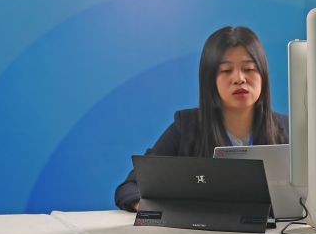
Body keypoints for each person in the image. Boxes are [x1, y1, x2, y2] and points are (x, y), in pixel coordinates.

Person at [114, 25, 288, 212]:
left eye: (249, 68)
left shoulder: (287, 129)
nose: (239, 78)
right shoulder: (186, 128)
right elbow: (130, 187)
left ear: (263, 74)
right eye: (226, 70)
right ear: (210, 80)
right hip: (204, 229)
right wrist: (151, 207)